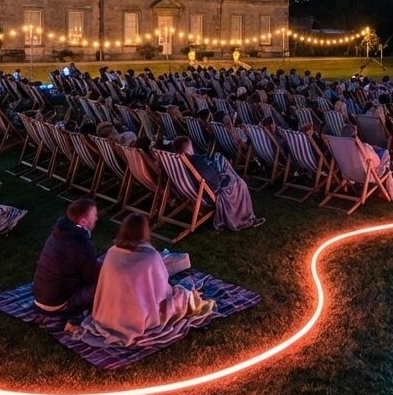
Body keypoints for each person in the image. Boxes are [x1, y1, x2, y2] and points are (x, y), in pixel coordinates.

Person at [75, 213, 214, 348]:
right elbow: (162, 293)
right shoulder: (150, 257)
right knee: (182, 297)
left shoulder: (112, 253)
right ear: (144, 232)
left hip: (110, 314)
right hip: (139, 318)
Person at [170, 136, 264, 230]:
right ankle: (244, 219)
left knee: (222, 163)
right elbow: (215, 183)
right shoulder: (194, 159)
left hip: (192, 191)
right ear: (189, 148)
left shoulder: (175, 162)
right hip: (206, 193)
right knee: (240, 183)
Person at [32, 198, 101, 314]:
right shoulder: (80, 242)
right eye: (94, 215)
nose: (96, 218)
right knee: (106, 284)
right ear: (83, 221)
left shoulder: (59, 232)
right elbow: (92, 277)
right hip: (57, 304)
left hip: (39, 297)